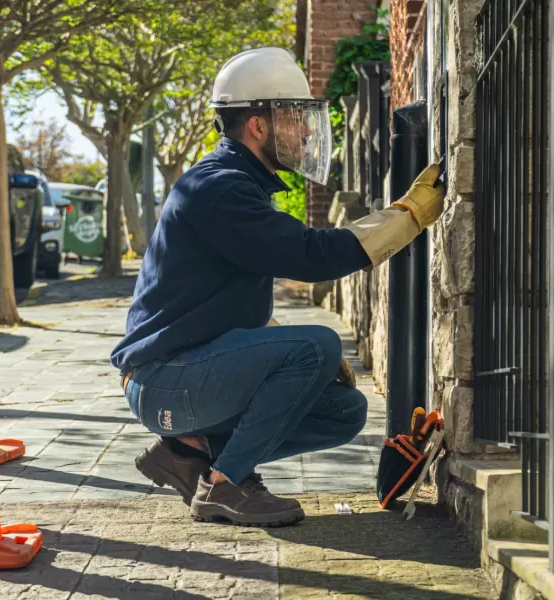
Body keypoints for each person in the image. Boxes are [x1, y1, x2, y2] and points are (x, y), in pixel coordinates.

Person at [111, 47, 445, 527]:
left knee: (344, 411)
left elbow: (219, 302)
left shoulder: (236, 187)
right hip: (166, 382)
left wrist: (286, 356)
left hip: (183, 377)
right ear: (259, 126)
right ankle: (224, 485)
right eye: (295, 117)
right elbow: (312, 255)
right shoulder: (221, 190)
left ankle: (193, 455)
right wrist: (407, 216)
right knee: (318, 344)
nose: (307, 130)